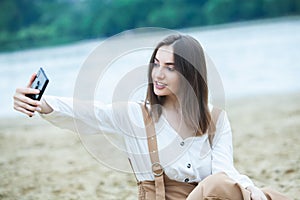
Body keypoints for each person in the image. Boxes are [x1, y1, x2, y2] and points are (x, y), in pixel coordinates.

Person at [13, 34, 289, 200]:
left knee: (250, 190)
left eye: (169, 67)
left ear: (190, 74)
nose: (158, 74)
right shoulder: (137, 115)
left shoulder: (215, 119)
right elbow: (91, 112)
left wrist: (247, 187)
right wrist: (43, 103)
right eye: (156, 64)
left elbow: (223, 170)